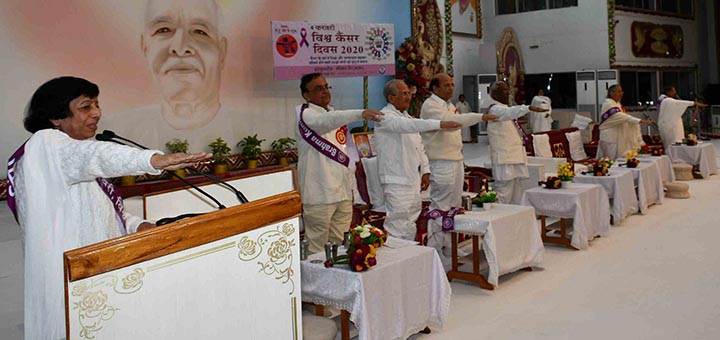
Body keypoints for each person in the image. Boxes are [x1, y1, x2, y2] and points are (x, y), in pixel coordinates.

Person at [8, 76, 211, 340]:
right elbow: (96, 155)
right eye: (85, 107)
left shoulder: (67, 157)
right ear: (55, 117)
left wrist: (138, 225)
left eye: (97, 105)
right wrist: (154, 160)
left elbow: (99, 210)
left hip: (102, 275)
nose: (97, 113)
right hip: (79, 283)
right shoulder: (46, 145)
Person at [102, 0, 238, 152]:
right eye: (163, 30)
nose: (180, 48)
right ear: (145, 47)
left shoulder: (255, 126)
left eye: (200, 31)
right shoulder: (117, 129)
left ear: (222, 51)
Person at [296, 73, 383, 254]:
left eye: (326, 87)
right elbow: (324, 122)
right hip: (319, 194)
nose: (325, 91)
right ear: (306, 94)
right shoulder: (307, 115)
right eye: (318, 88)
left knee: (340, 245)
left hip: (341, 192)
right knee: (316, 248)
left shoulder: (334, 115)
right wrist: (359, 113)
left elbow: (345, 156)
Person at [420, 73, 497, 262]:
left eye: (452, 84)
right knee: (440, 205)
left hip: (455, 159)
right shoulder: (431, 106)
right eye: (446, 85)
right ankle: (435, 249)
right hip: (440, 161)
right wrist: (481, 116)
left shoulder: (450, 105)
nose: (451, 88)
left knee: (454, 206)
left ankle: (449, 247)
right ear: (435, 88)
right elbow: (454, 123)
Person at [375, 79, 461, 240]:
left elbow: (419, 146)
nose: (408, 97)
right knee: (398, 224)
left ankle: (409, 259)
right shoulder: (384, 117)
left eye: (409, 93)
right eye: (404, 94)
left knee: (411, 222)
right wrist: (440, 124)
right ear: (391, 98)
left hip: (412, 178)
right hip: (396, 180)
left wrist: (426, 170)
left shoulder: (407, 117)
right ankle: (398, 261)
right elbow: (408, 126)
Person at [487, 81, 548, 204]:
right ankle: (500, 217)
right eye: (504, 91)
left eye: (507, 90)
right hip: (504, 159)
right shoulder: (494, 109)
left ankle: (514, 217)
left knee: (517, 191)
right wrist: (528, 108)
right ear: (495, 94)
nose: (507, 93)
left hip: (515, 156)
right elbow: (508, 113)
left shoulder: (506, 108)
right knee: (504, 191)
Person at [597, 85, 652, 160]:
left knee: (617, 159)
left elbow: (624, 118)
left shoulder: (618, 104)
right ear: (611, 93)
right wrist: (639, 120)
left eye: (622, 91)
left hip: (617, 135)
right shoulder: (608, 104)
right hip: (609, 136)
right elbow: (619, 116)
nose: (621, 93)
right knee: (609, 160)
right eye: (619, 91)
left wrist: (635, 121)